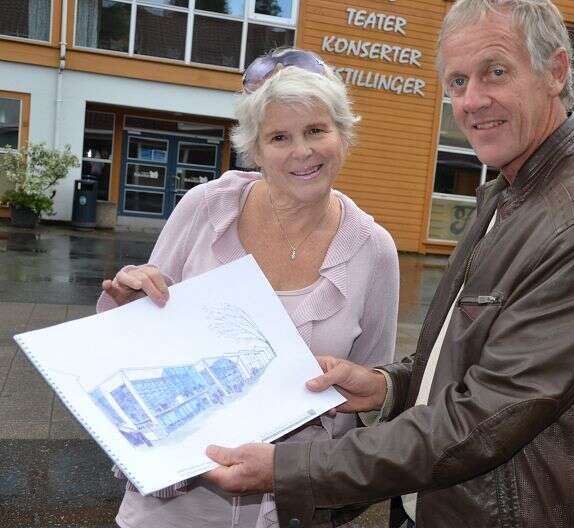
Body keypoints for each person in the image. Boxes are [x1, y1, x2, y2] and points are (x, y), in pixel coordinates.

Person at [206, 1, 574, 526]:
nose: (472, 100)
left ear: (556, 71)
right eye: (458, 81)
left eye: (496, 72)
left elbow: (482, 419)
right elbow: (468, 362)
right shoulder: (511, 194)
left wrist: (290, 468)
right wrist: (388, 388)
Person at [97, 49, 399, 528]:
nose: (302, 151)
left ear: (343, 135)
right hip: (174, 503)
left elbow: (373, 388)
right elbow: (137, 335)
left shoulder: (373, 249)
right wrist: (132, 301)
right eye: (279, 137)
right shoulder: (205, 209)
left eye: (316, 130)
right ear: (255, 149)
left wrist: (330, 485)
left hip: (290, 508)